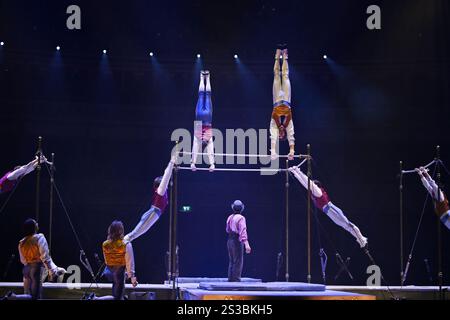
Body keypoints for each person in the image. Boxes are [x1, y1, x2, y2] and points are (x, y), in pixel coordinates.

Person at [289, 166, 368, 248]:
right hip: (329, 213)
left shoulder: (318, 192)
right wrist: (295, 173)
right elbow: (304, 183)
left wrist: (298, 171)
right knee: (345, 226)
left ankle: (361, 238)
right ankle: (360, 239)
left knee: (347, 224)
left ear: (316, 185)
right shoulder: (312, 193)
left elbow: (307, 182)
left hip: (331, 209)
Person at [2, 218, 66, 300]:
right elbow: (45, 256)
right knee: (35, 297)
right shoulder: (39, 237)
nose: (37, 223)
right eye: (36, 223)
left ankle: (13, 297)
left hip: (26, 269)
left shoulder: (21, 242)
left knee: (28, 295)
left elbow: (23, 260)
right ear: (34, 227)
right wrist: (51, 270)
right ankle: (13, 297)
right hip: (36, 269)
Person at [124, 156, 175, 242]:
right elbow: (166, 177)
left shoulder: (162, 191)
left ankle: (119, 246)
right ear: (160, 183)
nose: (166, 184)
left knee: (134, 235)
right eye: (164, 183)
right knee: (133, 235)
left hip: (154, 214)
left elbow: (166, 174)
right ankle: (117, 247)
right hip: (153, 213)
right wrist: (171, 163)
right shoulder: (160, 191)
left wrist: (171, 163)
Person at [88, 221, 137, 300]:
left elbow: (107, 261)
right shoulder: (126, 244)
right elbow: (130, 262)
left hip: (110, 273)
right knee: (117, 298)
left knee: (119, 297)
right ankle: (94, 298)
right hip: (119, 274)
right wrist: (132, 277)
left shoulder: (105, 244)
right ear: (121, 231)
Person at [270, 46, 295, 160]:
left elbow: (272, 136)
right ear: (284, 134)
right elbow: (292, 136)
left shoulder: (275, 125)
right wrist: (292, 150)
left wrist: (273, 151)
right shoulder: (287, 125)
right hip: (286, 99)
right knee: (285, 76)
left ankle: (277, 56)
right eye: (282, 135)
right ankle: (285, 56)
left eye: (279, 135)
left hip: (276, 100)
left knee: (276, 76)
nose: (280, 134)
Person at [191, 70, 215, 171]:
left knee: (206, 96)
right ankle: (203, 77)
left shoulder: (204, 139)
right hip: (201, 121)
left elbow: (196, 148)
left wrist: (193, 163)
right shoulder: (200, 139)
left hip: (207, 120)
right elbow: (197, 148)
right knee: (202, 96)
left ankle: (206, 77)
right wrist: (212, 164)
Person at [226, 200, 251, 282]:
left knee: (232, 261)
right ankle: (236, 281)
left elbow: (227, 229)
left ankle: (231, 279)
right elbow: (243, 231)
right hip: (236, 240)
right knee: (238, 261)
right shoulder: (241, 218)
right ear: (242, 208)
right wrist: (246, 244)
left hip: (230, 240)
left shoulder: (230, 217)